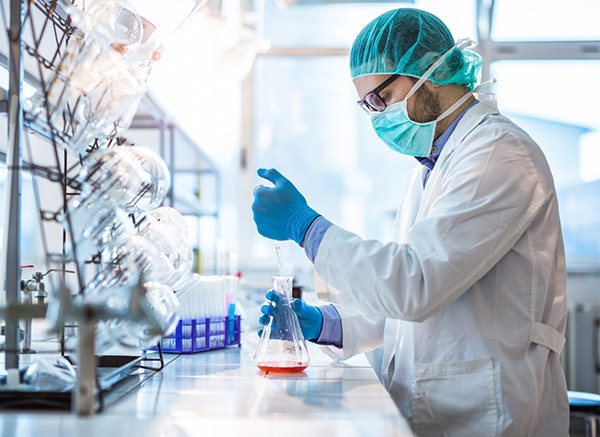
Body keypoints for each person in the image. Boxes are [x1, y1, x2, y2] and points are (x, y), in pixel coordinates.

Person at [252, 8, 568, 436]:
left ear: (429, 71)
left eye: (381, 98)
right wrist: (328, 323)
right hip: (439, 407)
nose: (377, 116)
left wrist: (305, 226)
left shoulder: (498, 153)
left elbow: (414, 284)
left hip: (490, 413)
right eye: (366, 106)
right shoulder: (431, 168)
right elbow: (407, 302)